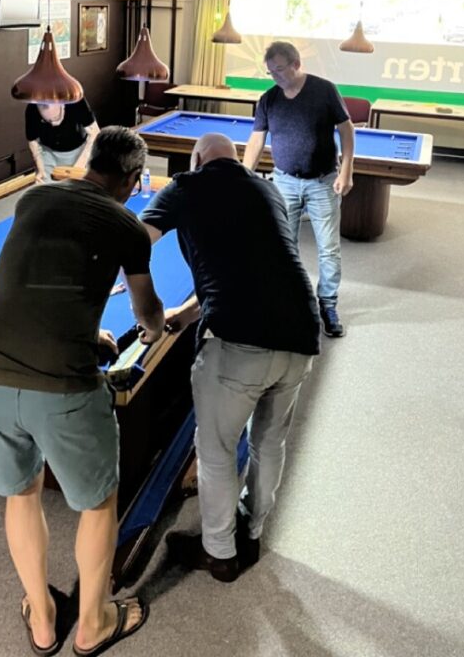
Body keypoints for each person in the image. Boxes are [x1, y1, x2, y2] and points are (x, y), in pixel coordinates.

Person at [0, 126, 165, 656]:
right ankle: (93, 624)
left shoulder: (34, 199)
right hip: (63, 387)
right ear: (130, 179)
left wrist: (87, 332)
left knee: (21, 493)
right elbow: (147, 309)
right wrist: (153, 328)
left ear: (90, 160)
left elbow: (45, 277)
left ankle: (42, 619)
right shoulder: (127, 225)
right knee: (98, 504)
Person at [140, 132, 320, 582]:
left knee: (216, 448)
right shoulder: (268, 190)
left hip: (239, 343)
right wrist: (185, 314)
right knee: (268, 442)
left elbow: (135, 240)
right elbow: (254, 270)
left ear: (197, 159)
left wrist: (148, 310)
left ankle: (218, 552)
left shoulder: (186, 185)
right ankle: (251, 532)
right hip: (301, 333)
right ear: (237, 159)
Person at [243, 41, 354, 338]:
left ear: (296, 64)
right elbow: (256, 140)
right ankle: (288, 301)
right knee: (284, 246)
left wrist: (346, 170)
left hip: (323, 181)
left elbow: (346, 130)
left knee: (328, 248)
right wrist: (244, 176)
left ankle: (328, 304)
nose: (275, 76)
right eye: (270, 72)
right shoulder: (268, 99)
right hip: (284, 182)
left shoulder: (324, 90)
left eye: (279, 70)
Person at [25, 99, 99, 182]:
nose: (53, 124)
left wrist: (80, 165)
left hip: (79, 150)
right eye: (48, 121)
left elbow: (95, 133)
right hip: (49, 152)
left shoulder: (76, 101)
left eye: (56, 118)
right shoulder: (32, 108)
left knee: (80, 185)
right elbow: (32, 141)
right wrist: (40, 169)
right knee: (45, 184)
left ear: (63, 105)